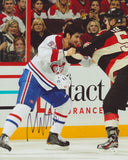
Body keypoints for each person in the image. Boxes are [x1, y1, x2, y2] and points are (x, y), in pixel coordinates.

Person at [0, 23, 87, 151]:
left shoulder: (74, 49)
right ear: (67, 35)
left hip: (49, 83)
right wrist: (64, 52)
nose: (78, 40)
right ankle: (4, 136)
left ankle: (54, 136)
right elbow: (43, 54)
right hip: (34, 76)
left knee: (65, 103)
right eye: (76, 37)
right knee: (24, 107)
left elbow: (85, 62)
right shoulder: (54, 40)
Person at [74, 8, 128, 150]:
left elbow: (83, 52)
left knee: (109, 104)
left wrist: (69, 54)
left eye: (107, 20)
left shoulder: (105, 34)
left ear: (113, 21)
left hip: (125, 71)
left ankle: (112, 139)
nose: (105, 23)